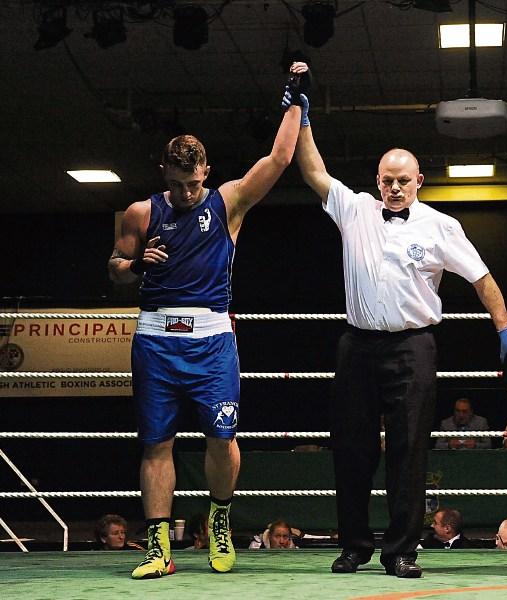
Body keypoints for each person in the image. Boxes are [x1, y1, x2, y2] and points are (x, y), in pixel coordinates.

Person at [292, 63, 507, 579]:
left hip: (414, 347)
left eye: (403, 181)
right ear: (377, 181)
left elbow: (484, 280)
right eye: (387, 181)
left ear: (419, 180)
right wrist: (302, 115)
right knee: (350, 450)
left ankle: (401, 551)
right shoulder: (354, 209)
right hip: (357, 345)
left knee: (409, 451)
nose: (395, 188)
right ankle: (353, 544)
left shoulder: (442, 225)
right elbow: (312, 171)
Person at [107, 74, 303, 579]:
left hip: (213, 341)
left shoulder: (228, 202)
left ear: (207, 173)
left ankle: (219, 520)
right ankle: (158, 547)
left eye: (195, 182)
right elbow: (114, 269)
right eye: (178, 183)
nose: (188, 192)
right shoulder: (139, 212)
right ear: (164, 174)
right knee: (156, 443)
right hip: (155, 339)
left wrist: (295, 105)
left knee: (222, 438)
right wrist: (137, 268)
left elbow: (279, 160)